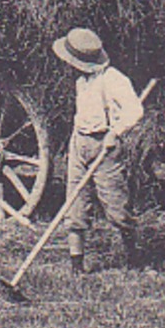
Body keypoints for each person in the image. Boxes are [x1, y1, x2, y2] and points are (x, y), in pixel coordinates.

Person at [53, 27, 145, 273]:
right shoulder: (81, 81)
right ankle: (76, 266)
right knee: (75, 207)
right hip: (79, 143)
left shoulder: (114, 80)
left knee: (117, 209)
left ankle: (133, 259)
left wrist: (115, 133)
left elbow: (135, 111)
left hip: (105, 147)